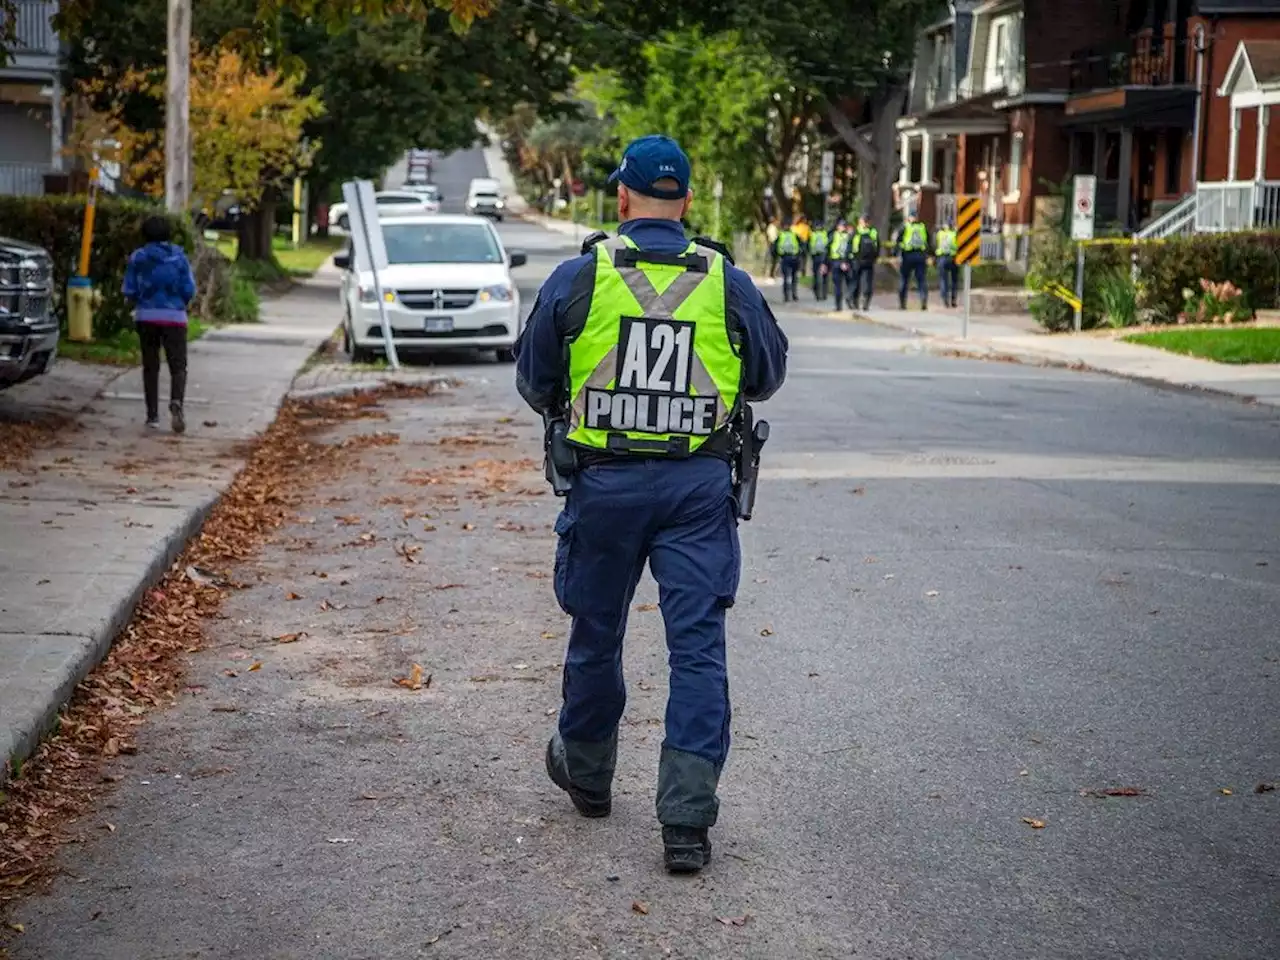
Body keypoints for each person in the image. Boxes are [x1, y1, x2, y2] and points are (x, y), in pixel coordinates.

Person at [514, 134, 788, 875]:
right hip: (697, 491)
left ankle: (589, 771)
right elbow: (765, 375)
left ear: (623, 199)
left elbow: (535, 379)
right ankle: (687, 821)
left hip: (603, 488)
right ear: (689, 203)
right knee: (696, 650)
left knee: (596, 633)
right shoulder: (727, 282)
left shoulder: (581, 277)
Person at [122, 215, 195, 433]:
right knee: (178, 366)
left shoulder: (138, 258)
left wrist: (137, 300)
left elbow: (129, 289)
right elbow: (189, 288)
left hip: (146, 316)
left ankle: (152, 415)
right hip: (174, 317)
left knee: (150, 366)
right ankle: (177, 402)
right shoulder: (179, 258)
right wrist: (180, 303)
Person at [894, 209, 929, 310]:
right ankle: (923, 300)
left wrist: (896, 254)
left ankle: (902, 303)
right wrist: (930, 255)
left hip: (907, 256)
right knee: (921, 280)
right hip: (920, 256)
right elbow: (928, 242)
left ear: (909, 218)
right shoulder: (923, 227)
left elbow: (898, 242)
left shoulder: (905, 227)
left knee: (904, 280)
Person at [850, 213, 880, 311]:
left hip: (861, 261)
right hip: (863, 261)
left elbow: (877, 246)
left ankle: (862, 302)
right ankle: (859, 301)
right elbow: (877, 247)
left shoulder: (856, 232)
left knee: (862, 283)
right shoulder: (871, 232)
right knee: (862, 282)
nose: (864, 223)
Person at [935, 220, 959, 308]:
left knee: (943, 280)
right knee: (954, 281)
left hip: (942, 258)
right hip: (953, 258)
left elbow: (936, 244)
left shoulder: (940, 234)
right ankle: (953, 299)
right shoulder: (954, 234)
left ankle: (945, 299)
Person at [775, 219, 802, 302]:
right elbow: (801, 245)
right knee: (794, 277)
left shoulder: (780, 235)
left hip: (785, 258)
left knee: (786, 278)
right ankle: (794, 295)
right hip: (794, 258)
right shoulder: (794, 235)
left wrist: (777, 256)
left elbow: (774, 247)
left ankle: (786, 296)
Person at [829, 220, 852, 310]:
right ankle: (846, 301)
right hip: (843, 262)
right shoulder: (848, 236)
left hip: (837, 262)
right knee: (847, 283)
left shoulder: (833, 235)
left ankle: (839, 305)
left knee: (838, 285)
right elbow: (849, 250)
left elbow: (827, 248)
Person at [809, 221, 830, 301]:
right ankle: (824, 294)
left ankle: (817, 293)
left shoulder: (813, 234)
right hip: (824, 257)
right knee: (825, 276)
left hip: (816, 257)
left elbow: (810, 246)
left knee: (815, 276)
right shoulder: (825, 234)